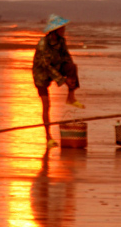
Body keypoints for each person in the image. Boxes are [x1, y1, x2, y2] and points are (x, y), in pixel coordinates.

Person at [33, 14, 85, 147]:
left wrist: (70, 77)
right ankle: (48, 137)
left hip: (56, 67)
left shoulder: (62, 41)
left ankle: (71, 97)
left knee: (72, 66)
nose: (64, 30)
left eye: (64, 28)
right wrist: (63, 80)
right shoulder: (43, 44)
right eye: (61, 28)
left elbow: (67, 57)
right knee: (46, 105)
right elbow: (46, 66)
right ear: (54, 30)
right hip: (41, 75)